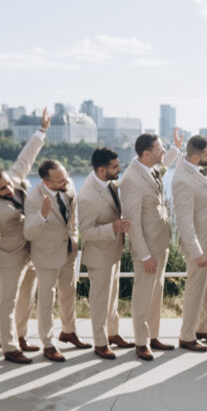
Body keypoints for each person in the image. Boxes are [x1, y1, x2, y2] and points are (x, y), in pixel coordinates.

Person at [0, 109, 48, 363]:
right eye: (2, 188)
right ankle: (9, 348)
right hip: (9, 256)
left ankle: (21, 336)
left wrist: (42, 130)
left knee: (27, 297)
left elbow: (26, 157)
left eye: (8, 184)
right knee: (8, 301)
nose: (9, 189)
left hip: (31, 250)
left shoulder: (14, 178)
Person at [120, 130, 183, 361]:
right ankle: (141, 342)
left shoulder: (150, 168)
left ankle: (153, 336)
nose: (163, 151)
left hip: (160, 243)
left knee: (156, 294)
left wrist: (176, 148)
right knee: (143, 296)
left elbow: (164, 164)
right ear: (146, 154)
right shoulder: (131, 180)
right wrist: (144, 255)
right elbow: (132, 223)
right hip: (147, 248)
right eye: (160, 148)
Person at [170, 113, 207, 351]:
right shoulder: (182, 180)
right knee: (196, 290)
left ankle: (204, 329)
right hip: (199, 244)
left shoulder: (197, 164)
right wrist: (196, 252)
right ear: (195, 157)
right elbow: (184, 222)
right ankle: (187, 336)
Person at [77, 147, 134, 359]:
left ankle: (113, 333)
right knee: (100, 301)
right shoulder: (87, 196)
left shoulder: (108, 182)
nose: (120, 169)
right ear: (102, 170)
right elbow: (86, 232)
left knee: (112, 298)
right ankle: (100, 343)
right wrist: (113, 228)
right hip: (99, 256)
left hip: (113, 250)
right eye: (115, 167)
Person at [24, 158, 81, 362]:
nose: (66, 182)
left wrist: (74, 237)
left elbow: (72, 216)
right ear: (46, 182)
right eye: (60, 181)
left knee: (69, 292)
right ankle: (48, 344)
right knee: (47, 299)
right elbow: (28, 233)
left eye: (66, 177)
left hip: (68, 250)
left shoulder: (68, 184)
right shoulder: (33, 198)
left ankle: (69, 331)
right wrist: (42, 215)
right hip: (46, 254)